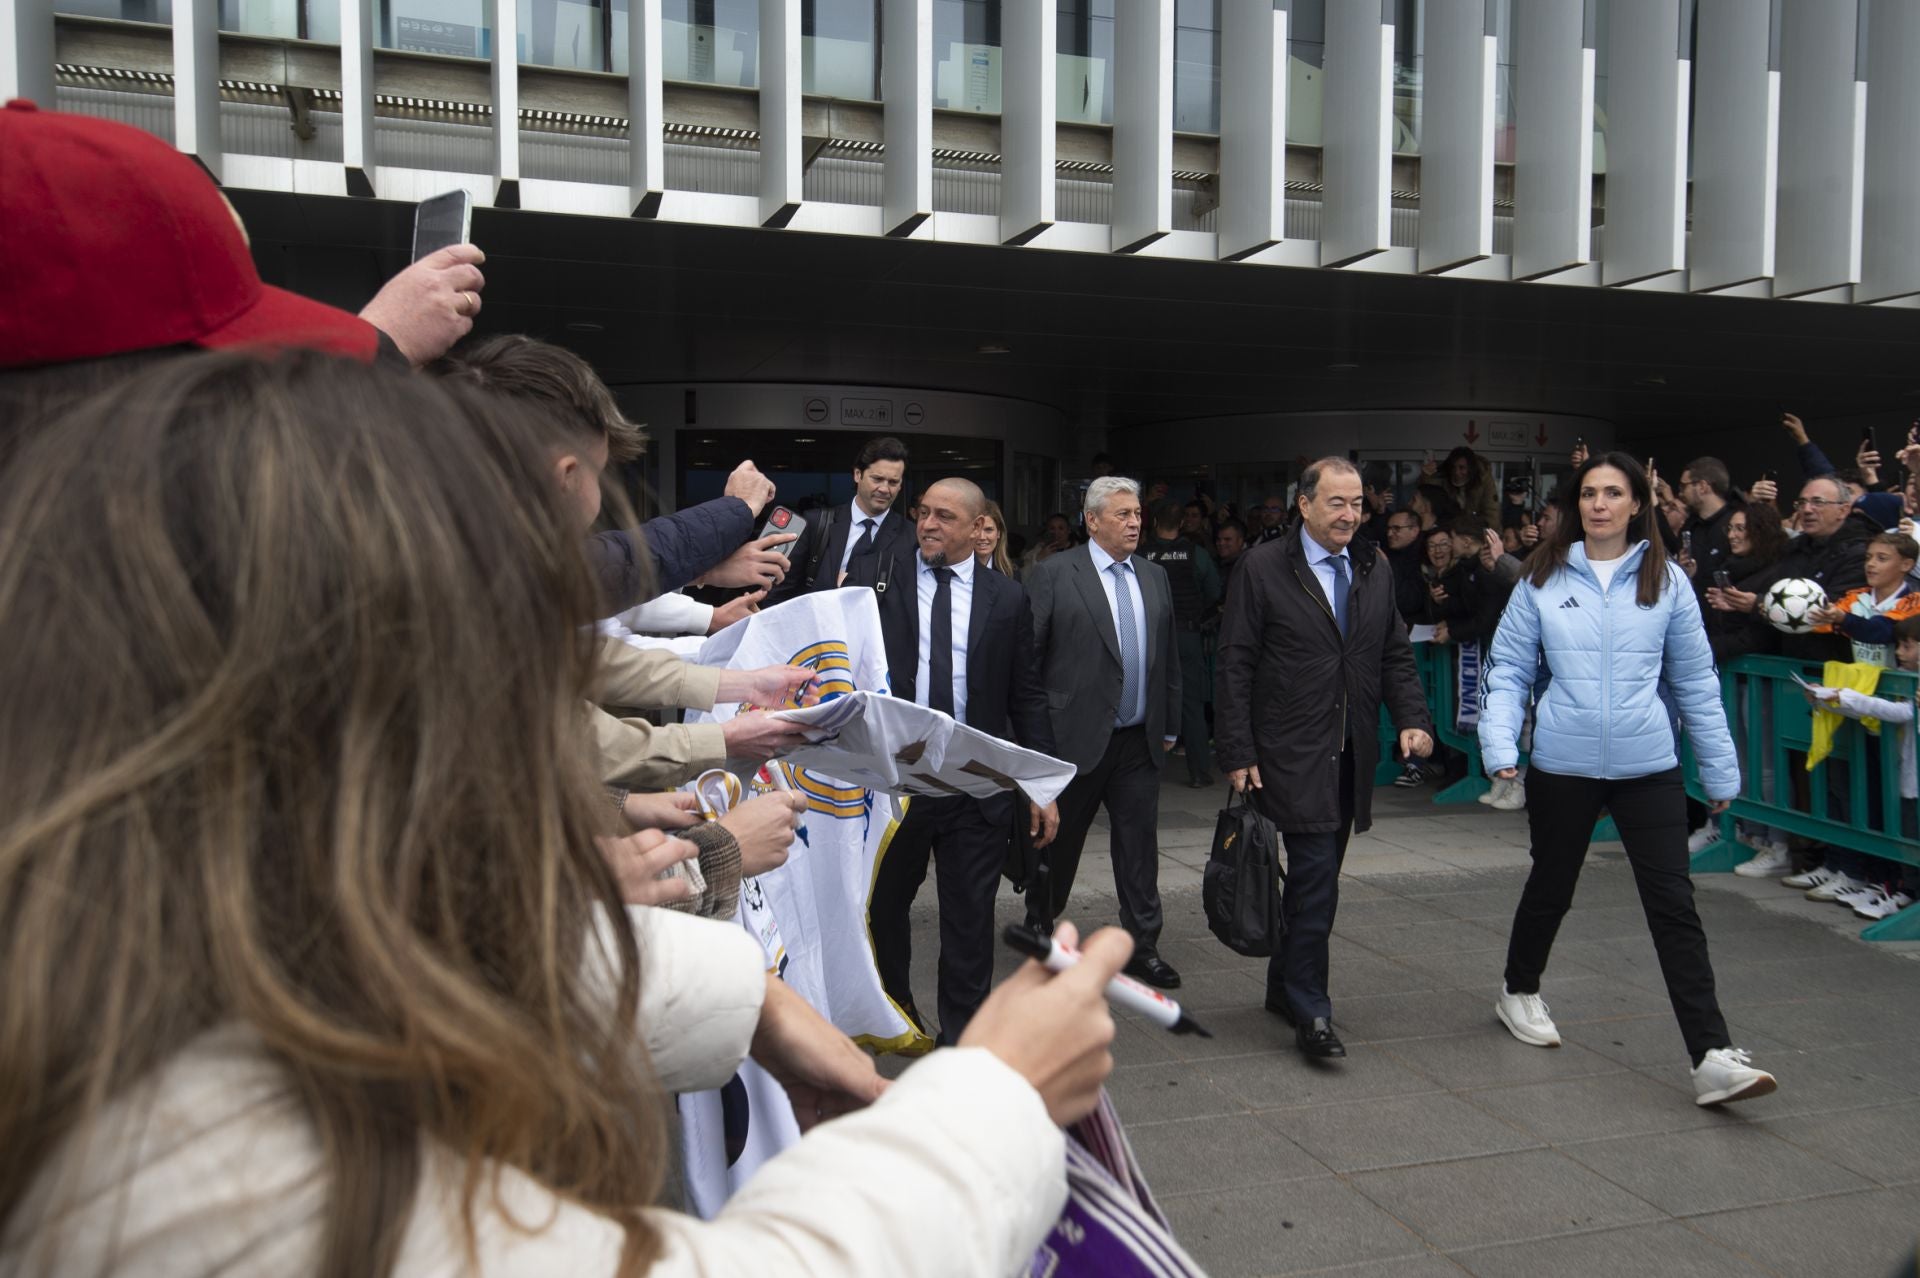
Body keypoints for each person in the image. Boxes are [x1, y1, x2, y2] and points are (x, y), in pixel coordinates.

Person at [0, 350, 1135, 1278]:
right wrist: (995, 1102)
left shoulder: (175, 935)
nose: (525, 684)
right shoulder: (187, 1168)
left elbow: (409, 963)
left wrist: (743, 1002)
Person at [1479, 452, 1776, 1108]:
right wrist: (1499, 745)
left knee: (1674, 905)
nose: (1600, 504)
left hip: (1649, 769)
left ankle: (1711, 1055)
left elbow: (1695, 680)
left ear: (1637, 503)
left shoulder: (1667, 581)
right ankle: (1518, 990)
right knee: (1552, 886)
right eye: (1590, 493)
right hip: (1563, 765)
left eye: (1614, 493)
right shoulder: (1542, 578)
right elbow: (1509, 668)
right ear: (1576, 504)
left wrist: (1718, 766)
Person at [1215, 458, 1433, 1059]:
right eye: (1336, 502)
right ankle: (1311, 1008)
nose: (1349, 515)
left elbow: (1393, 652)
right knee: (1315, 882)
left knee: (1318, 880)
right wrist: (1236, 748)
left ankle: (1284, 986)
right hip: (1287, 751)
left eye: (1357, 503)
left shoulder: (1372, 566)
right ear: (1304, 504)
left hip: (1348, 752)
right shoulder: (1263, 567)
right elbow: (1235, 662)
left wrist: (1413, 718)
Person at [853, 479, 1060, 1042]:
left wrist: (1041, 784)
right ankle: (896, 1016)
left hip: (975, 789)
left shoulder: (1007, 599)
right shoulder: (882, 580)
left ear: (977, 528)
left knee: (969, 920)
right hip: (897, 784)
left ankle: (962, 1039)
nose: (928, 524)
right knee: (884, 908)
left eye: (944, 516)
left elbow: (1027, 695)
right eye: (923, 513)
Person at [1027, 477, 1185, 989]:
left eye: (1137, 514)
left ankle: (1143, 944)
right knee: (1060, 842)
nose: (1135, 523)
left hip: (1139, 738)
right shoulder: (1055, 574)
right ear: (1092, 521)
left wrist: (1171, 721)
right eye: (1123, 515)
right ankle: (1041, 926)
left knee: (1138, 846)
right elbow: (1030, 660)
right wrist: (1032, 739)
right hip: (1073, 736)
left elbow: (1168, 656)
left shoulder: (1154, 576)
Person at [1702, 502, 1793, 876]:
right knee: (1741, 762)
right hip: (1734, 675)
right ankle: (1750, 833)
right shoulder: (1730, 569)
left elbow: (1763, 635)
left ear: (1761, 531)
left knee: (1766, 765)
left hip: (1761, 680)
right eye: (1731, 528)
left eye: (1742, 528)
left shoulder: (1778, 573)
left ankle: (1778, 843)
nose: (1733, 535)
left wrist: (1710, 647)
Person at [766, 436, 913, 602]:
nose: (884, 489)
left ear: (900, 485)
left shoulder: (910, 536)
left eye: (893, 482)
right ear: (857, 474)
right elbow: (781, 590)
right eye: (877, 479)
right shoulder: (816, 523)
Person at [1142, 501, 1223, 789]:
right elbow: (1214, 591)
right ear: (1181, 525)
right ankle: (1199, 772)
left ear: (1154, 523)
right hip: (1186, 635)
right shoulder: (1197, 555)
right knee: (1191, 704)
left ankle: (1143, 770)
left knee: (1146, 701)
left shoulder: (1140, 554)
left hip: (1148, 636)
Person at [1677, 457, 1742, 597]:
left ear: (1702, 487)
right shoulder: (1690, 527)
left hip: (1727, 605)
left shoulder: (1737, 523)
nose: (1681, 493)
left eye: (1684, 486)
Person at [1020, 512, 1076, 578]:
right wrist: (1038, 558)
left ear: (1069, 530)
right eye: (1052, 528)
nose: (1056, 532)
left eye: (1061, 528)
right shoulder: (1038, 550)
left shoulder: (1077, 552)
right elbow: (1023, 577)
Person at [976, 498, 1017, 575]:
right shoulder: (953, 571)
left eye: (988, 530)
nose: (982, 537)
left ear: (998, 533)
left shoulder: (1011, 573)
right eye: (977, 529)